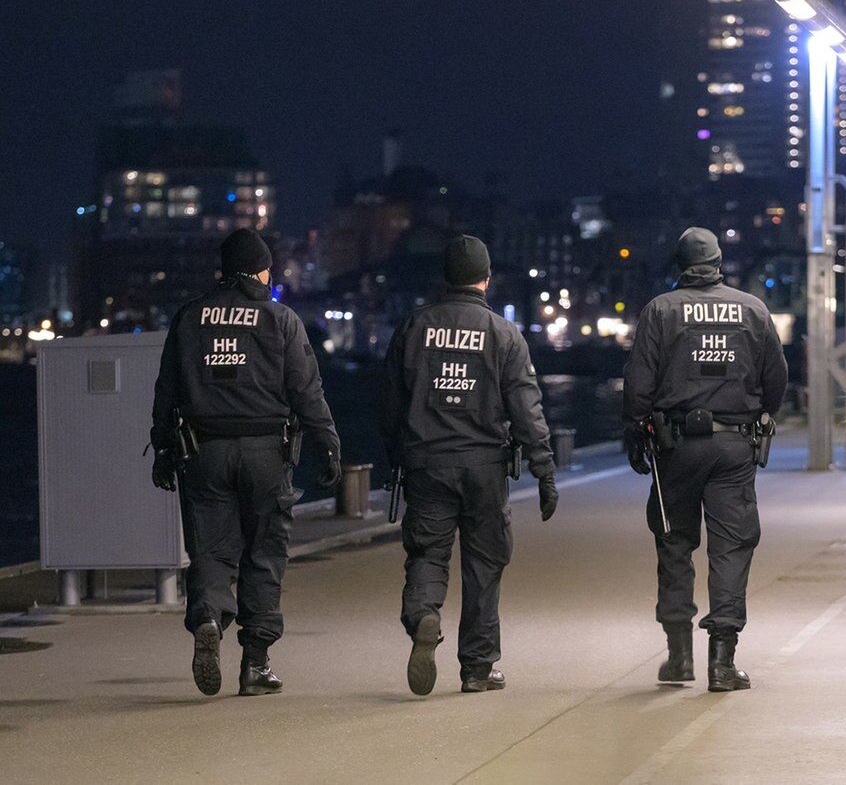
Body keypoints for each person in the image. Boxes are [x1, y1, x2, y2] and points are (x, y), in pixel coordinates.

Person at [150, 227, 342, 697]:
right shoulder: (280, 320)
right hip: (265, 453)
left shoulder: (189, 318)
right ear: (259, 270)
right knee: (263, 554)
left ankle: (209, 617)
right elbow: (307, 390)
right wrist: (328, 444)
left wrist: (161, 449)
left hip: (204, 452)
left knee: (211, 551)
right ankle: (255, 664)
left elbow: (166, 392)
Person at [379, 234, 558, 696]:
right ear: (486, 278)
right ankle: (478, 667)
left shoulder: (413, 327)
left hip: (427, 463)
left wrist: (397, 455)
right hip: (484, 466)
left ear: (445, 277)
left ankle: (423, 615)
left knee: (427, 554)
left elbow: (391, 404)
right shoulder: (503, 333)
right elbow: (525, 406)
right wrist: (544, 469)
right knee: (485, 563)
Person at [622, 227, 787, 692]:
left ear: (680, 265)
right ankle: (722, 661)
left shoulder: (660, 310)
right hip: (734, 445)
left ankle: (678, 657)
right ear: (719, 262)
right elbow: (776, 376)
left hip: (673, 447)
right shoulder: (752, 309)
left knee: (674, 543)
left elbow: (638, 383)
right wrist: (763, 412)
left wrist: (635, 431)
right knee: (731, 546)